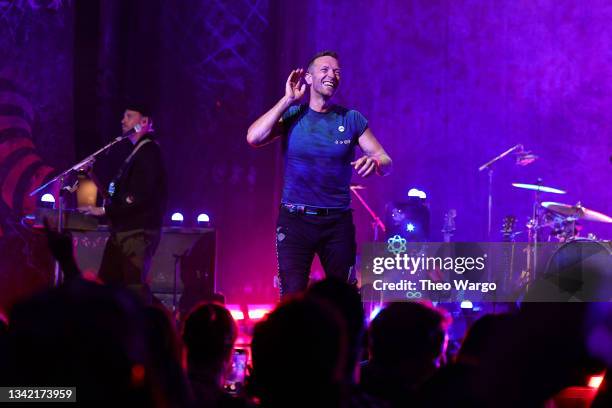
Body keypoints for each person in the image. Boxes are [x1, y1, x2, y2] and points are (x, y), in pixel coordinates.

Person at [247, 51, 392, 296]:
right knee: (292, 299)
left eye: (337, 72)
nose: (332, 75)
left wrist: (376, 164)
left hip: (336, 223)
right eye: (324, 70)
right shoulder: (294, 115)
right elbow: (253, 137)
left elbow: (385, 160)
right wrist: (286, 100)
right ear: (309, 78)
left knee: (345, 298)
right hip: (295, 221)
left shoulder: (351, 119)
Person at [80, 102, 167, 302]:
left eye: (129, 116)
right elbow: (121, 194)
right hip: (124, 232)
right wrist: (92, 174)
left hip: (137, 232)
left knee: (134, 290)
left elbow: (141, 196)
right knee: (107, 288)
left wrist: (103, 211)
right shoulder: (136, 152)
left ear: (144, 122)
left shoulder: (149, 152)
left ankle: (150, 328)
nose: (123, 120)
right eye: (123, 116)